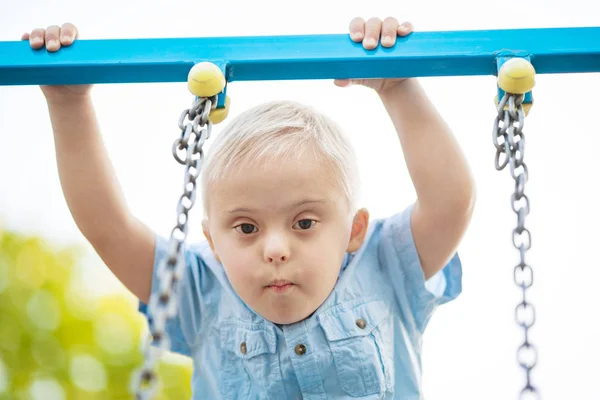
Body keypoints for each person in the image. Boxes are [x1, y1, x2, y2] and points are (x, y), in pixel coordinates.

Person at [23, 16, 475, 399]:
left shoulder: (383, 264)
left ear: (353, 230)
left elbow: (449, 202)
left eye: (303, 222)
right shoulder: (200, 293)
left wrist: (398, 88)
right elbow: (109, 228)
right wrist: (68, 105)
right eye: (245, 228)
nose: (275, 248)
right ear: (212, 242)